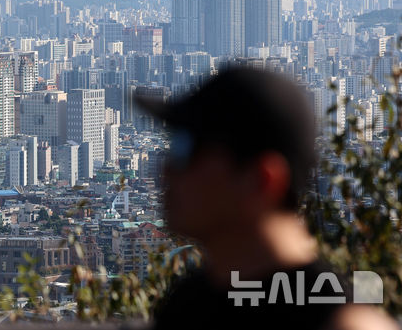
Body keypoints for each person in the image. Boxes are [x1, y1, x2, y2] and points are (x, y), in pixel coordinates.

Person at [135, 68, 397, 330]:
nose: (167, 169)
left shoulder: (345, 324)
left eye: (187, 149)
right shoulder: (189, 306)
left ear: (263, 179)